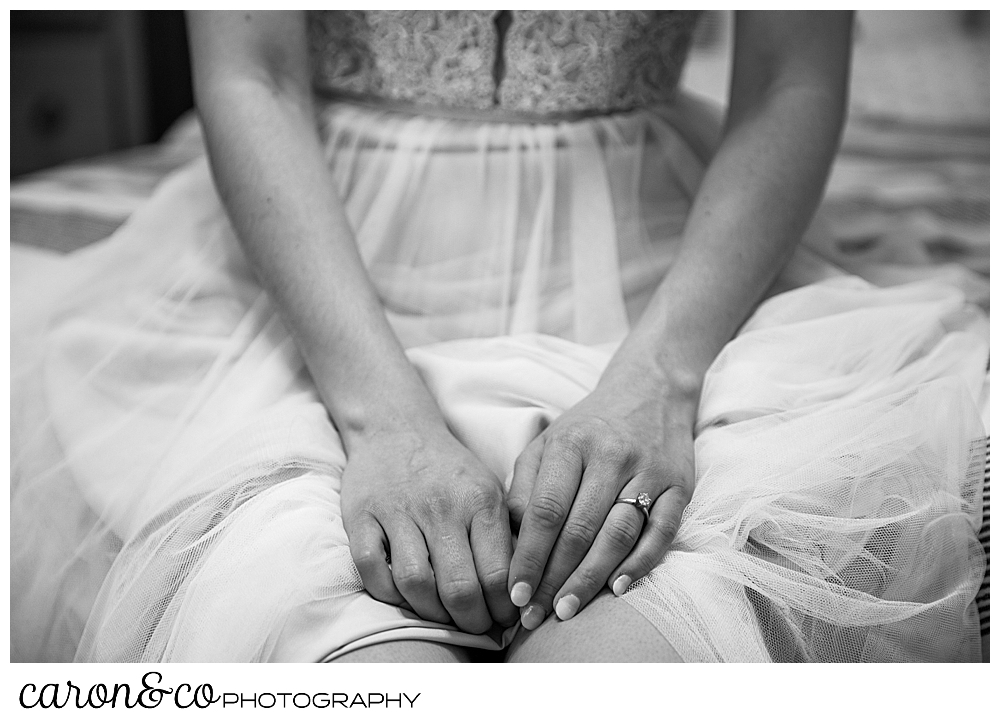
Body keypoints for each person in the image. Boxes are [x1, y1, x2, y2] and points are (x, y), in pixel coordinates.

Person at [10, 10, 987, 663]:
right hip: (316, 269)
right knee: (330, 644)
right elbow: (251, 75)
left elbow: (788, 83)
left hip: (671, 277)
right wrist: (384, 420)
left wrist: (659, 378)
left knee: (634, 657)